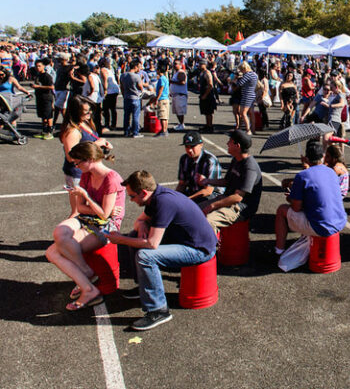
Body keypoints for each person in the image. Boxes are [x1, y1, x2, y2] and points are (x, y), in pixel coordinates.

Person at [107, 170, 217, 330]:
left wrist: (120, 239)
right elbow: (138, 222)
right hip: (184, 240)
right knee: (134, 235)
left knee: (145, 255)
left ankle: (158, 310)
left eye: (132, 196)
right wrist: (142, 225)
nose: (130, 200)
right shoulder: (156, 196)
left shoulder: (164, 202)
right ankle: (144, 287)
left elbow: (152, 244)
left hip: (200, 249)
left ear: (143, 192)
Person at [45, 142, 125, 311]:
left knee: (53, 252)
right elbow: (80, 208)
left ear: (89, 159)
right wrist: (94, 206)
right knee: (59, 232)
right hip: (87, 218)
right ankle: (86, 273)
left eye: (78, 162)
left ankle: (87, 287)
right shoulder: (86, 174)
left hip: (106, 226)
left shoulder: (111, 178)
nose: (76, 166)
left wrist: (86, 196)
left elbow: (104, 215)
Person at [274, 140, 348, 254]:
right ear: (323, 157)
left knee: (281, 210)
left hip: (321, 226)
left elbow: (296, 208)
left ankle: (279, 250)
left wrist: (291, 199)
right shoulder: (331, 172)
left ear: (307, 158)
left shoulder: (302, 176)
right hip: (340, 221)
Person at [198, 130, 263, 234]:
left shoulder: (250, 167)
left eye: (230, 141)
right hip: (228, 199)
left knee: (209, 221)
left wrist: (213, 205)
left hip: (240, 208)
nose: (227, 143)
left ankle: (210, 249)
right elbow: (227, 181)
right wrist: (207, 181)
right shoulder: (236, 159)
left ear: (237, 146)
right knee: (196, 210)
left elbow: (238, 197)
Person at [176, 131, 223, 205]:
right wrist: (175, 197)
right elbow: (182, 184)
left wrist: (187, 200)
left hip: (212, 195)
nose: (189, 150)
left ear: (201, 145)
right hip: (193, 193)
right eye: (187, 147)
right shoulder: (184, 159)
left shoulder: (210, 161)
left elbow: (208, 191)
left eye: (192, 146)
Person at [119, 59, 145, 138]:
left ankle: (126, 132)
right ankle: (135, 132)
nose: (139, 68)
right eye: (139, 67)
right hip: (135, 97)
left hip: (126, 97)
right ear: (136, 67)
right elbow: (140, 87)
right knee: (135, 116)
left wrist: (124, 95)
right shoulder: (136, 76)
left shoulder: (123, 75)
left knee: (126, 116)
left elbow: (122, 87)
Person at [31, 59, 55, 140]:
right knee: (43, 115)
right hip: (39, 97)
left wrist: (38, 87)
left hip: (47, 97)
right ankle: (44, 131)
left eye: (39, 66)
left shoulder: (47, 76)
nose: (37, 68)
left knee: (48, 115)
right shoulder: (38, 75)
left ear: (43, 66)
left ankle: (50, 132)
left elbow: (51, 87)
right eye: (36, 66)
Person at [235, 61, 258, 132]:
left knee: (243, 113)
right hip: (252, 94)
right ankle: (253, 129)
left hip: (246, 95)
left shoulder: (247, 75)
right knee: (251, 113)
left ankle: (248, 130)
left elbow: (239, 84)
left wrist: (236, 79)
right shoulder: (254, 74)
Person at [99, 57, 120, 132]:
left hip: (109, 90)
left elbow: (105, 80)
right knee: (112, 108)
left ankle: (107, 124)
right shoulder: (110, 70)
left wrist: (105, 90)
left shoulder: (103, 70)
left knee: (106, 108)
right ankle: (113, 124)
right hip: (115, 89)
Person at [197, 60, 217, 134]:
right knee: (205, 111)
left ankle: (210, 126)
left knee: (209, 111)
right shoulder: (202, 73)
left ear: (204, 65)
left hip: (208, 95)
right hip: (203, 94)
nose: (199, 65)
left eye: (200, 64)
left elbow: (210, 85)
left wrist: (205, 95)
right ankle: (207, 125)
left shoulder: (207, 73)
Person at [169, 58, 188, 131]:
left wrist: (172, 82)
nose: (174, 65)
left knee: (180, 111)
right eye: (174, 64)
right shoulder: (175, 73)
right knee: (176, 111)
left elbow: (182, 82)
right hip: (175, 95)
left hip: (180, 95)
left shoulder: (181, 72)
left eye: (176, 64)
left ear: (180, 65)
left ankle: (182, 124)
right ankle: (180, 124)